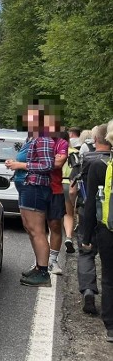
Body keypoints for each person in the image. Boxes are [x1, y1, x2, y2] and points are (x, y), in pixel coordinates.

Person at [5, 103, 55, 287]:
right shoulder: (31, 138)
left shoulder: (43, 138)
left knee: (37, 230)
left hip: (35, 188)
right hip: (26, 187)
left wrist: (21, 166)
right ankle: (38, 267)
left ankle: (43, 272)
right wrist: (15, 164)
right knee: (29, 228)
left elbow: (47, 165)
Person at [76, 123, 112, 315]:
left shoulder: (88, 159)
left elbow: (77, 190)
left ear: (95, 140)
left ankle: (88, 291)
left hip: (89, 212)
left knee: (86, 253)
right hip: (109, 219)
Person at [43, 124, 69, 275]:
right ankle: (41, 262)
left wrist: (41, 162)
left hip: (55, 189)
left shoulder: (62, 143)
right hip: (37, 188)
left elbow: (59, 163)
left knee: (55, 226)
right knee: (37, 229)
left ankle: (52, 261)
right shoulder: (37, 141)